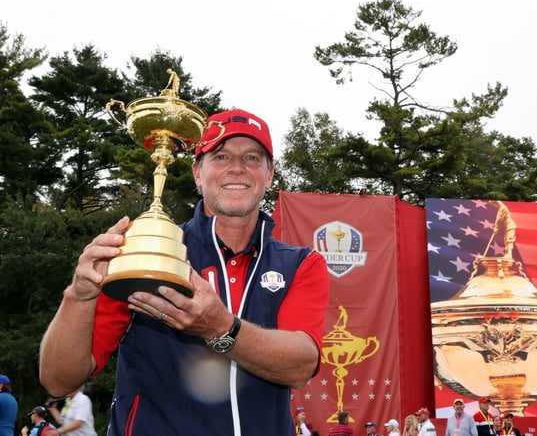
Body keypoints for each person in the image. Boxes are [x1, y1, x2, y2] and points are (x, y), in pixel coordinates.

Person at [38, 108, 330, 436]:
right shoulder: (149, 250)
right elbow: (59, 380)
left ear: (269, 173)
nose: (237, 168)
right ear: (197, 173)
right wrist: (79, 295)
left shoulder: (300, 264)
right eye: (220, 156)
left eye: (252, 157)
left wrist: (220, 327)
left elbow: (301, 365)